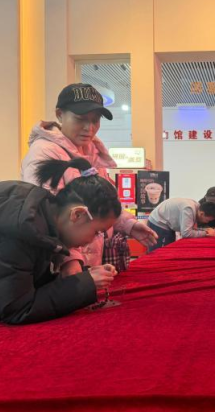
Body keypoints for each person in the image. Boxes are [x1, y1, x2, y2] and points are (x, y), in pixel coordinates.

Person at [0, 158, 120, 341]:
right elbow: (19, 309)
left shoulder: (37, 225)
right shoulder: (14, 237)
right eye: (96, 232)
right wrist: (86, 283)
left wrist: (85, 275)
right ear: (77, 214)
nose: (92, 240)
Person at [21, 83, 157, 275]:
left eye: (95, 120)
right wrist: (71, 261)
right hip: (62, 268)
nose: (89, 128)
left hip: (88, 263)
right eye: (81, 119)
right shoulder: (43, 153)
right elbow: (46, 218)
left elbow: (101, 205)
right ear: (60, 114)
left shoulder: (92, 151)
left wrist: (128, 224)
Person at [147, 198, 215, 252]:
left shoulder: (197, 208)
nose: (207, 222)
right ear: (202, 214)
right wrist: (206, 233)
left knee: (168, 251)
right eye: (207, 220)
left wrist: (206, 230)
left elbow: (190, 229)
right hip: (158, 223)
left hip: (166, 223)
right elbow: (186, 233)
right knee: (159, 253)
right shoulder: (189, 209)